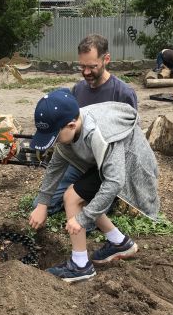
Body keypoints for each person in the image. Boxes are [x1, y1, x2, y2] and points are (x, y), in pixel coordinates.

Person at [29, 89, 159, 282]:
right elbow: (55, 168)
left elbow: (114, 181)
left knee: (72, 197)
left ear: (72, 125)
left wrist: (83, 219)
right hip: (106, 163)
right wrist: (42, 204)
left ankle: (81, 266)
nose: (53, 143)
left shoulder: (99, 133)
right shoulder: (69, 129)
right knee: (79, 196)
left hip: (127, 164)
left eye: (54, 137)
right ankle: (119, 243)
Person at [34, 34, 138, 215]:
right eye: (82, 66)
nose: (86, 72)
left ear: (106, 59)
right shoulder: (78, 90)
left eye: (92, 67)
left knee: (82, 209)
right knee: (41, 205)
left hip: (108, 166)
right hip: (80, 162)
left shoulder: (123, 93)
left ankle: (102, 202)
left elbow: (131, 140)